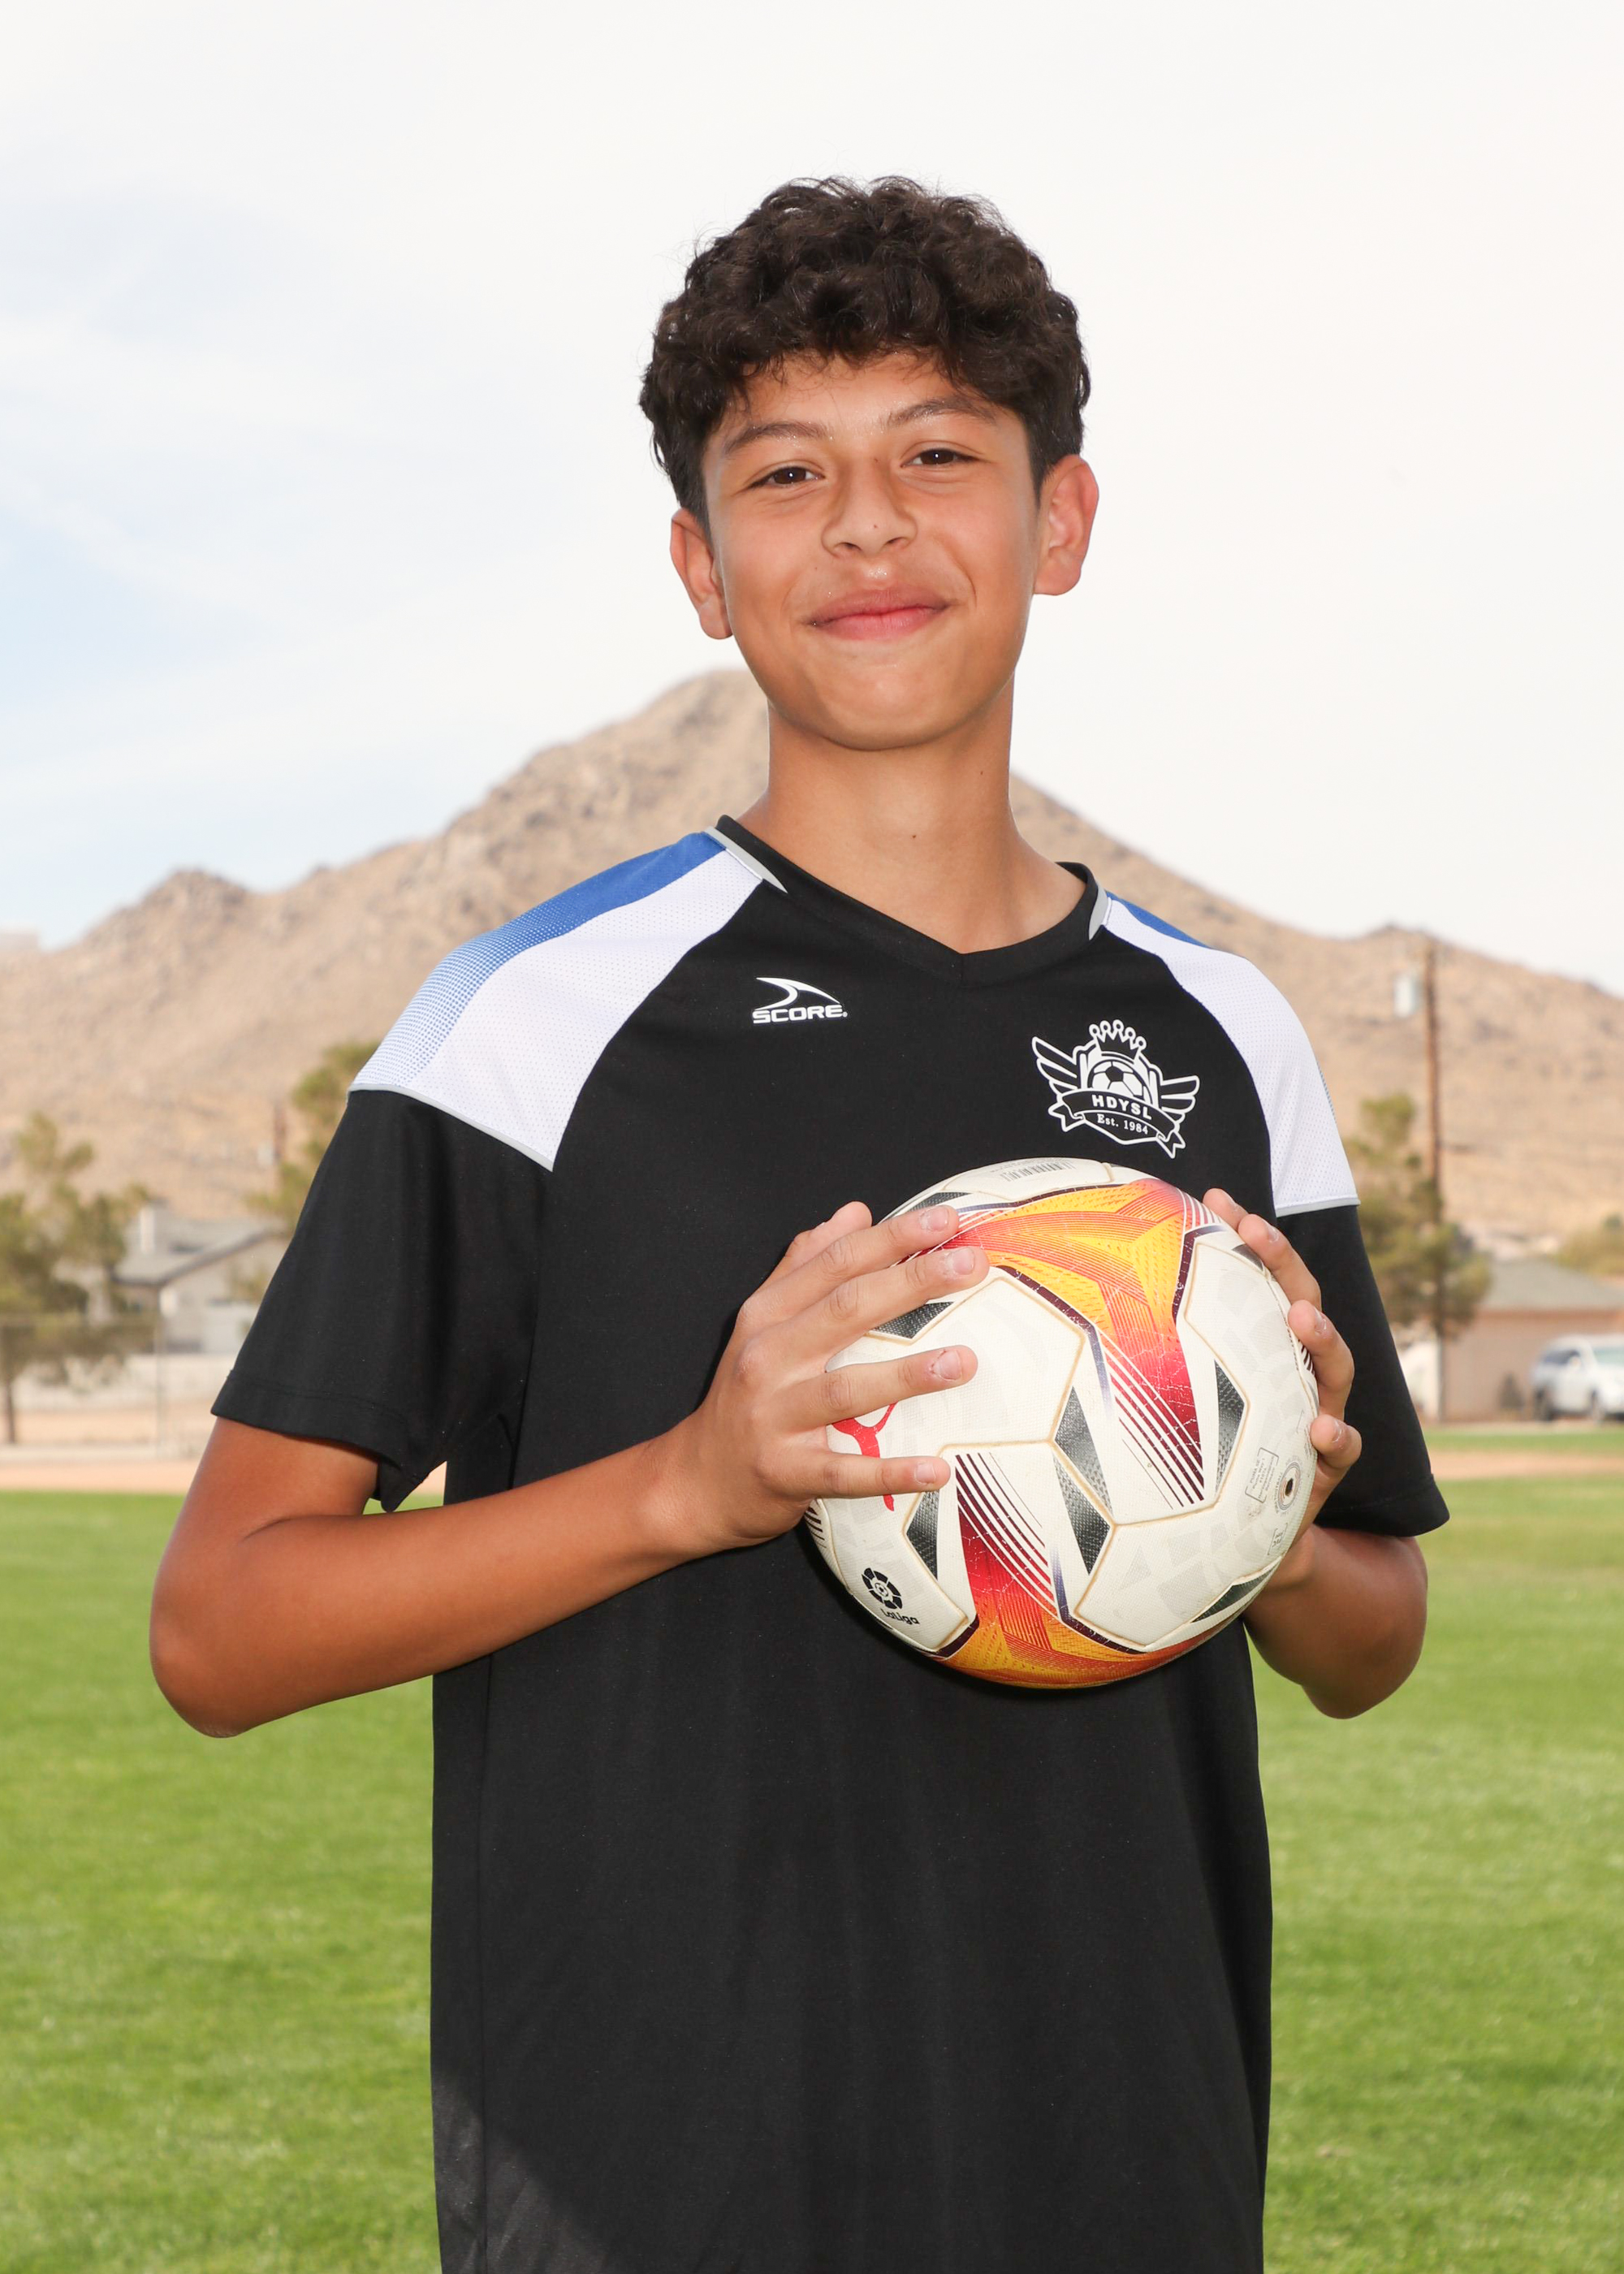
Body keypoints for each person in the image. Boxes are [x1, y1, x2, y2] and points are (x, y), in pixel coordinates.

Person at [151, 177, 1445, 2274]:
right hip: (656, 2184)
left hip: (1130, 2167)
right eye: (784, 474)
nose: (865, 527)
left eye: (937, 453)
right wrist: (683, 1487)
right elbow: (219, 1630)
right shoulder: (529, 1023)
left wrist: (1254, 1511)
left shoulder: (1229, 1039)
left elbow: (1373, 1638)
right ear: (701, 567)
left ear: (1061, 522)